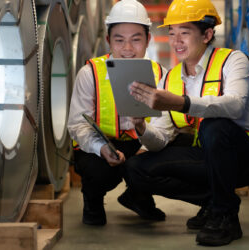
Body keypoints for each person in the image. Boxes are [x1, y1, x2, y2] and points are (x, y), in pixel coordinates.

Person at [124, 0, 249, 246]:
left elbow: (234, 105)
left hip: (245, 157)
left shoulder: (233, 61)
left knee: (215, 126)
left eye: (184, 32)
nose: (176, 41)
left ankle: (226, 216)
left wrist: (182, 103)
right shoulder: (170, 79)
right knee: (135, 168)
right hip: (205, 156)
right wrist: (141, 127)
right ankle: (213, 202)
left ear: (207, 34)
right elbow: (159, 141)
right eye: (171, 33)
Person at [67, 0, 167, 226]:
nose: (128, 49)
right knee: (97, 170)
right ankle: (92, 202)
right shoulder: (90, 73)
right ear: (108, 40)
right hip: (101, 145)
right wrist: (101, 148)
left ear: (148, 40)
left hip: (141, 143)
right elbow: (77, 125)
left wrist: (144, 150)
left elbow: (166, 127)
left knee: (163, 160)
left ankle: (138, 197)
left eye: (136, 39)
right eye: (119, 40)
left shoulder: (160, 74)